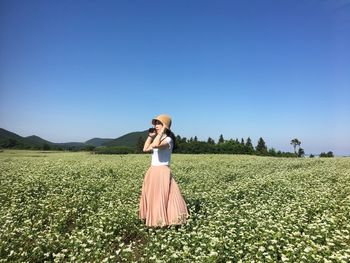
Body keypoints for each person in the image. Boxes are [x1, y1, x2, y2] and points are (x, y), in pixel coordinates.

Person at [139, 114, 189, 227]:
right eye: (155, 123)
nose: (155, 126)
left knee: (164, 196)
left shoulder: (168, 139)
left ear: (165, 125)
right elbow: (145, 149)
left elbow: (156, 145)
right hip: (153, 170)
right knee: (156, 196)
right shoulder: (159, 138)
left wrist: (161, 133)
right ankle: (157, 221)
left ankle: (163, 221)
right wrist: (150, 136)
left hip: (162, 171)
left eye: (158, 123)